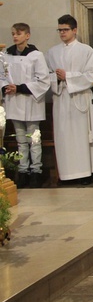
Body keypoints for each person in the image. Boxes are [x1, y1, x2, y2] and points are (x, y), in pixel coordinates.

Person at [46, 15, 93, 185]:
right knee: (64, 137)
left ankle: (84, 173)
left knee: (81, 137)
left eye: (65, 30)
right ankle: (66, 175)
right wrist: (57, 79)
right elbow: (47, 76)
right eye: (60, 30)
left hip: (79, 97)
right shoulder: (52, 52)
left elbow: (91, 75)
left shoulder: (85, 50)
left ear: (74, 30)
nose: (62, 33)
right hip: (61, 98)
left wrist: (68, 76)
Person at [1, 23, 50, 188]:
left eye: (19, 33)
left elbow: (43, 80)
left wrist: (20, 87)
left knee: (34, 139)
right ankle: (23, 171)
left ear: (27, 35)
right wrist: (5, 87)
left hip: (31, 102)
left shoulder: (36, 55)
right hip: (14, 102)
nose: (15, 36)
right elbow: (2, 76)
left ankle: (36, 171)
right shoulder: (6, 55)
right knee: (21, 140)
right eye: (13, 33)